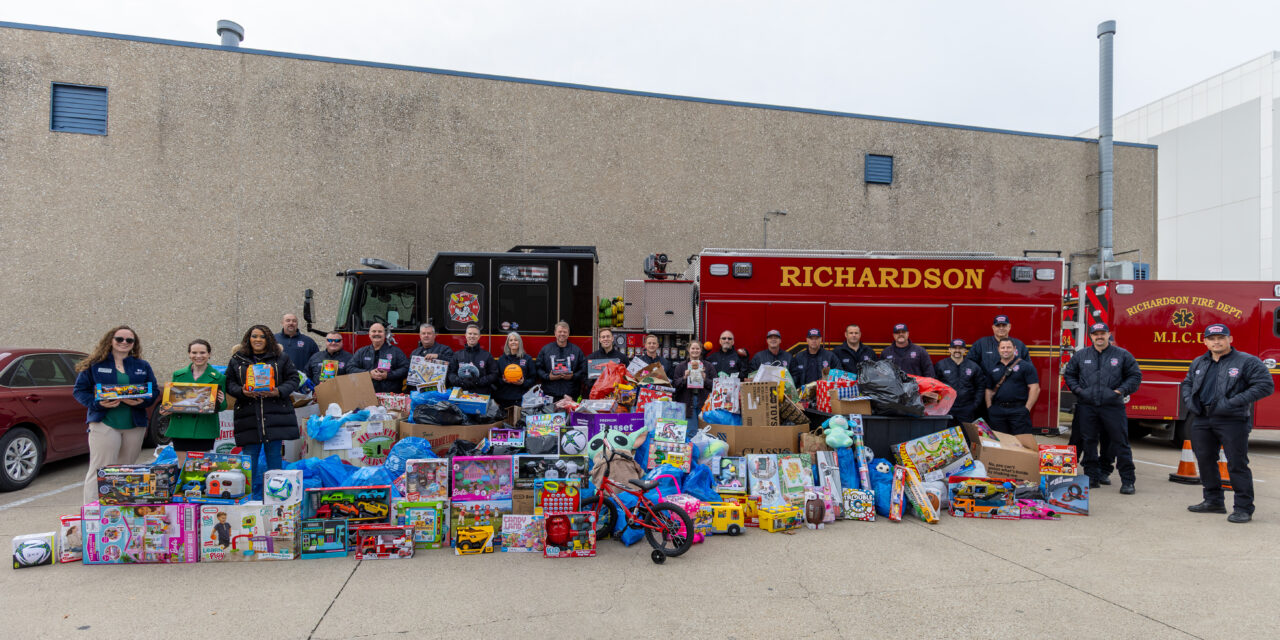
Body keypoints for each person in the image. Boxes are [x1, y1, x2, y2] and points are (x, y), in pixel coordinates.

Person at [1180, 323, 1275, 524]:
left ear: (1230, 339)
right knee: (1205, 461)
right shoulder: (1199, 362)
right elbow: (1187, 382)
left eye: (1221, 338)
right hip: (1202, 419)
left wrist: (1230, 403)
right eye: (1212, 339)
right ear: (1205, 341)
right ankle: (1213, 501)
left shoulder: (1247, 361)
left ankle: (1243, 508)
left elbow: (1265, 385)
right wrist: (1190, 402)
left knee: (1237, 464)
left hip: (1233, 420)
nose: (1217, 342)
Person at [72, 326, 160, 504]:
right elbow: (80, 391)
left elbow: (154, 391)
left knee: (126, 470)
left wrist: (142, 402)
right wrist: (97, 403)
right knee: (101, 469)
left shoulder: (142, 365)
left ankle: (119, 512)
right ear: (110, 340)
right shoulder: (95, 364)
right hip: (105, 422)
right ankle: (92, 511)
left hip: (134, 425)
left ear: (134, 343)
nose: (124, 343)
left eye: (129, 340)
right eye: (120, 339)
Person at [1063, 323, 1142, 494]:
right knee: (1088, 441)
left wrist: (1119, 391)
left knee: (1120, 443)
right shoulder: (1081, 355)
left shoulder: (1122, 355)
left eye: (1102, 333)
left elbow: (1135, 375)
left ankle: (1128, 481)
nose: (1099, 336)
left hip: (1113, 406)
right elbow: (1069, 374)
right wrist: (1078, 391)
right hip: (1087, 406)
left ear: (1108, 335)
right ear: (1091, 336)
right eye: (1096, 334)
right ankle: (1092, 477)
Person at [225, 325, 300, 498]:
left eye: (262, 337)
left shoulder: (281, 358)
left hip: (274, 416)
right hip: (248, 417)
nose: (258, 340)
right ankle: (247, 498)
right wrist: (241, 391)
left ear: (269, 339)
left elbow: (294, 379)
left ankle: (276, 498)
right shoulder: (237, 359)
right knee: (249, 459)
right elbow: (229, 383)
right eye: (254, 336)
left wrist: (278, 391)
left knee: (274, 457)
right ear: (248, 338)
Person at [161, 339, 228, 465]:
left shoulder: (219, 377)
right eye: (194, 352)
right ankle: (182, 485)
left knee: (200, 464)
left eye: (202, 353)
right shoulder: (178, 375)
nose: (198, 356)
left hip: (204, 427)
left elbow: (222, 407)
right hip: (181, 426)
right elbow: (172, 401)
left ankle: (198, 485)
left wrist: (222, 401)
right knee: (183, 463)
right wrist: (166, 409)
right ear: (189, 354)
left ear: (209, 354)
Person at [983, 337, 1040, 435]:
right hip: (997, 411)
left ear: (1014, 348)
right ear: (998, 349)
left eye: (1008, 347)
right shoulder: (992, 367)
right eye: (1003, 347)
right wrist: (990, 408)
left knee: (1021, 443)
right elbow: (988, 389)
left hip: (1018, 411)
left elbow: (1035, 388)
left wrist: (1027, 409)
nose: (1005, 350)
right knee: (1000, 443)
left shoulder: (1026, 366)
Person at [349, 323, 409, 393]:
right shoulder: (361, 352)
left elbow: (406, 368)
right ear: (369, 334)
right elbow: (350, 368)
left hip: (389, 396)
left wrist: (388, 375)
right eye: (374, 331)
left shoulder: (396, 351)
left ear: (385, 334)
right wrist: (369, 374)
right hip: (366, 395)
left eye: (380, 331)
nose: (377, 333)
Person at [934, 339, 982, 424]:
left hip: (966, 409)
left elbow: (980, 386)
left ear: (965, 350)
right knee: (947, 435)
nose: (957, 350)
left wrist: (975, 405)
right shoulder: (941, 365)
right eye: (954, 348)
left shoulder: (973, 366)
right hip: (947, 408)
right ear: (949, 350)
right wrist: (939, 404)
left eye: (960, 348)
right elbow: (934, 386)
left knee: (966, 435)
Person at [967, 314, 1029, 378]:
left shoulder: (1019, 345)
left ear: (1009, 326)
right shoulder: (981, 343)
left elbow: (1028, 368)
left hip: (1013, 386)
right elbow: (969, 364)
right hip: (987, 386)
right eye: (998, 326)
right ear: (993, 327)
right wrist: (980, 379)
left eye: (1004, 325)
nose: (1001, 328)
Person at [536, 321, 587, 399]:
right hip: (550, 394)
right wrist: (548, 377)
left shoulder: (577, 351)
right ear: (555, 333)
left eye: (565, 332)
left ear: (568, 333)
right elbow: (538, 368)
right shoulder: (546, 350)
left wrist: (573, 376)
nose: (562, 334)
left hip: (571, 394)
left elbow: (583, 369)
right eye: (560, 331)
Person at [673, 341, 719, 419]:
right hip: (687, 403)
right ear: (688, 349)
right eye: (693, 348)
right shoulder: (680, 366)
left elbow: (716, 385)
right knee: (692, 430)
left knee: (704, 428)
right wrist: (684, 377)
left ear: (701, 350)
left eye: (697, 348)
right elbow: (675, 385)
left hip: (704, 401)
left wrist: (705, 379)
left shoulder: (708, 366)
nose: (695, 350)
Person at [448, 324, 498, 394]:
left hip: (481, 394)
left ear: (479, 336)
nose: (472, 336)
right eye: (470, 333)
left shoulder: (487, 355)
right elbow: (451, 373)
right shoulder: (457, 355)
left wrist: (478, 381)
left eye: (475, 334)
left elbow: (494, 374)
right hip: (461, 394)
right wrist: (461, 382)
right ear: (465, 335)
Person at [493, 332, 535, 409]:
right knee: (504, 420)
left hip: (521, 399)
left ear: (520, 342)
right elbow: (495, 378)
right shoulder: (501, 359)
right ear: (508, 343)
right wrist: (503, 381)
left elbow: (533, 378)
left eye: (516, 340)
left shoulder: (527, 359)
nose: (513, 342)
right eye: (511, 340)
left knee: (518, 420)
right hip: (504, 398)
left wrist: (523, 383)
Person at [586, 327, 630, 395]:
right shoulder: (591, 358)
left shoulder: (622, 358)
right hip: (597, 394)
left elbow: (628, 377)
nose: (606, 339)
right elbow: (584, 375)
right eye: (603, 337)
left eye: (608, 336)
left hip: (616, 395)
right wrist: (593, 385)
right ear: (600, 340)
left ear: (612, 338)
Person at [275, 313, 318, 380]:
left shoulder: (309, 342)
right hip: (278, 381)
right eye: (288, 320)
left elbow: (316, 362)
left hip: (301, 381)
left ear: (297, 324)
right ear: (282, 323)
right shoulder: (273, 339)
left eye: (294, 321)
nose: (291, 323)